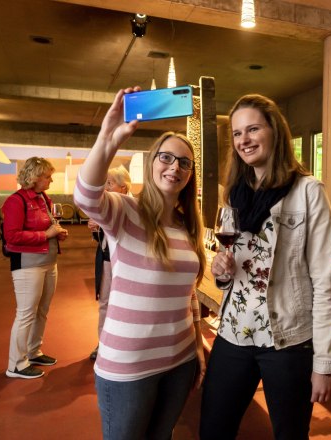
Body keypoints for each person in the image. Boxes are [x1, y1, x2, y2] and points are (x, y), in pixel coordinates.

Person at [200, 94, 331, 440]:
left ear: (275, 132)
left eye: (252, 129)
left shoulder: (308, 191)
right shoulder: (236, 193)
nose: (244, 140)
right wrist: (222, 272)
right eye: (236, 134)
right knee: (213, 430)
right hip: (233, 332)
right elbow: (236, 269)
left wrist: (325, 362)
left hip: (288, 339)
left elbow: (324, 282)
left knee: (290, 435)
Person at [74, 88, 207, 440]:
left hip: (179, 361)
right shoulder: (125, 211)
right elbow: (85, 196)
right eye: (166, 158)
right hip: (128, 365)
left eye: (184, 162)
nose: (174, 167)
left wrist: (196, 345)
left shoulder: (186, 225)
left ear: (190, 174)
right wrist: (108, 136)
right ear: (151, 163)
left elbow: (188, 292)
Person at [2, 156, 68, 379]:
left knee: (42, 310)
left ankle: (33, 351)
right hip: (27, 264)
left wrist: (57, 234)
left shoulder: (43, 199)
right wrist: (45, 235)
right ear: (35, 177)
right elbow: (11, 237)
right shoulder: (16, 201)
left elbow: (49, 226)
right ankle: (16, 365)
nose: (50, 181)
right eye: (47, 177)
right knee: (26, 313)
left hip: (49, 262)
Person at [88, 166, 131, 361]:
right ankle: (102, 343)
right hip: (106, 259)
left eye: (110, 184)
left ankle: (125, 344)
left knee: (127, 303)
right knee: (104, 302)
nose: (106, 188)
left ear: (123, 187)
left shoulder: (134, 206)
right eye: (105, 183)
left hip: (127, 263)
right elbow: (102, 239)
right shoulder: (104, 206)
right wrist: (95, 228)